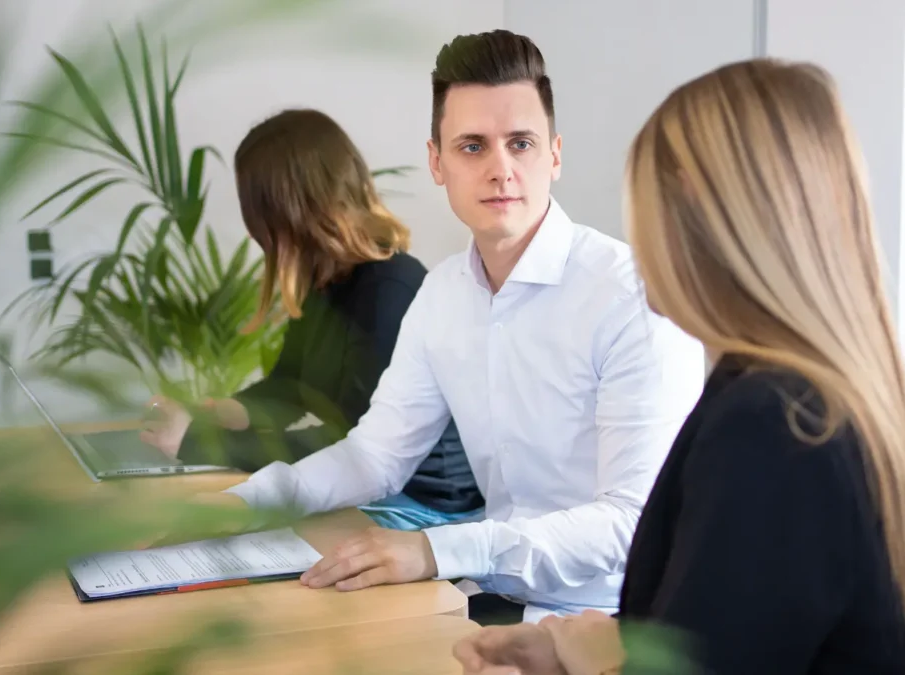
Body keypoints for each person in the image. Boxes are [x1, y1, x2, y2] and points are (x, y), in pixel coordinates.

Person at [453, 59, 905, 674]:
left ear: (702, 217)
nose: (636, 238)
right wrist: (568, 649)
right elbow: (737, 620)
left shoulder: (775, 427)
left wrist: (596, 661)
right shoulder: (809, 394)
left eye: (644, 207)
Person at [200, 30, 706, 623]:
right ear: (437, 162)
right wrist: (245, 502)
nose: (501, 169)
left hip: (614, 620)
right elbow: (376, 456)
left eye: (521, 143)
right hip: (493, 598)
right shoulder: (442, 293)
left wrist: (434, 550)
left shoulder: (631, 297)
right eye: (472, 147)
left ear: (555, 154)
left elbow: (631, 520)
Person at [139, 108, 484, 531]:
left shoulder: (390, 290)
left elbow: (354, 448)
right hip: (369, 488)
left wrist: (197, 444)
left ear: (288, 208)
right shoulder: (326, 281)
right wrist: (222, 413)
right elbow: (290, 387)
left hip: (423, 504)